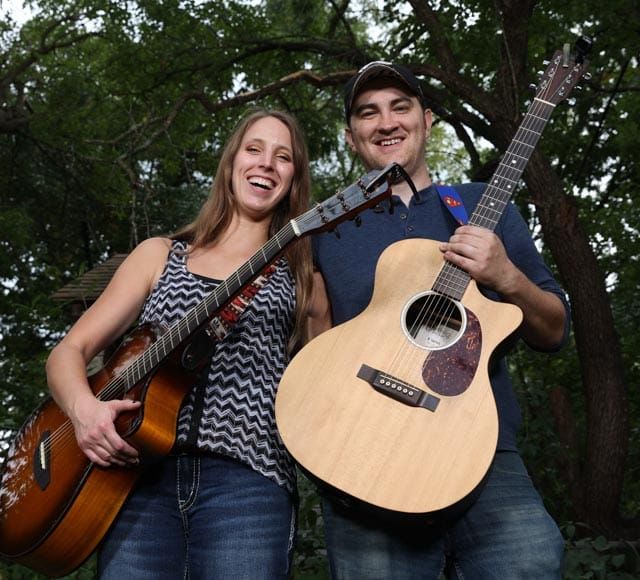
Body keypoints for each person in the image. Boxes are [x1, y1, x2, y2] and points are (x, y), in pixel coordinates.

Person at [311, 62, 570, 578]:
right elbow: (314, 345)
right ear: (351, 136)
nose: (386, 122)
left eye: (400, 106)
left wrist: (507, 276)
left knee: (531, 564)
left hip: (484, 451)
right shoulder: (325, 228)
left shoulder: (481, 207)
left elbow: (554, 330)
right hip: (365, 453)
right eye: (368, 112)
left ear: (428, 120)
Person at [46, 108, 330, 579]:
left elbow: (326, 396)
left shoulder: (304, 279)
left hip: (249, 483)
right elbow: (67, 352)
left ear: (293, 179)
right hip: (135, 483)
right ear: (232, 162)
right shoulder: (161, 254)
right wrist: (83, 411)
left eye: (283, 158)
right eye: (254, 149)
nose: (266, 163)